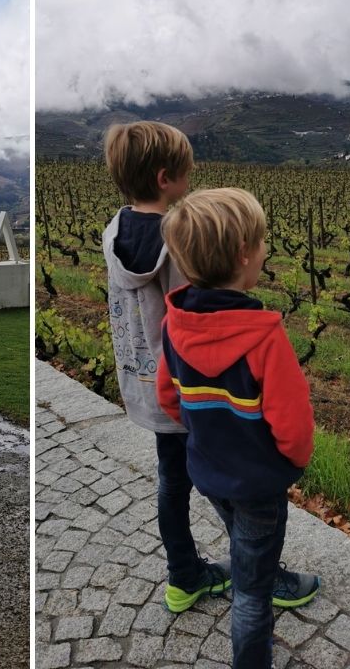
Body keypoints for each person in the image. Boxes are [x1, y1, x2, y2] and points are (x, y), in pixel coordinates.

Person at [157, 187, 320, 669]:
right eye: (263, 242)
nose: (266, 250)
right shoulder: (264, 336)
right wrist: (292, 461)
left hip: (208, 473)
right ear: (244, 255)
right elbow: (293, 422)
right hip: (259, 481)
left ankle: (248, 556)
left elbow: (169, 397)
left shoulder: (174, 324)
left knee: (241, 534)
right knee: (252, 593)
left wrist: (204, 436)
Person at [101, 121, 231, 612]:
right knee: (222, 477)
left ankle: (183, 574)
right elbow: (190, 319)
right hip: (184, 389)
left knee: (171, 480)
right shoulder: (176, 241)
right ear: (164, 178)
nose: (191, 176)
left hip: (143, 384)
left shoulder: (114, 231)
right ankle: (261, 565)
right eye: (186, 171)